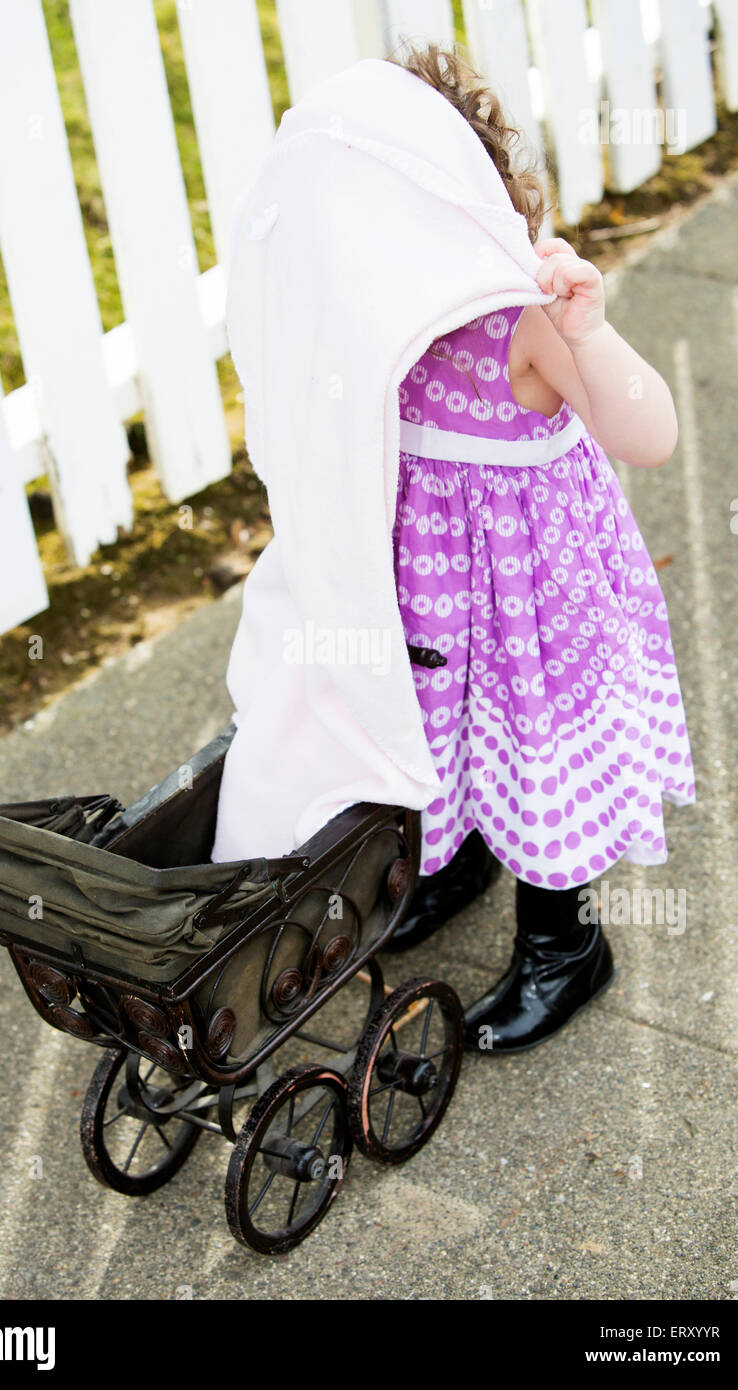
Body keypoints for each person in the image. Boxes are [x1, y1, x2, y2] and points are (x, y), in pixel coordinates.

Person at [210, 43, 695, 1055]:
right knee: (431, 735)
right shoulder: (371, 312)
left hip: (530, 599)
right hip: (428, 587)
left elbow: (649, 435)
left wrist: (591, 330)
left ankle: (565, 945)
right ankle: (458, 860)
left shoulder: (524, 310)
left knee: (532, 745)